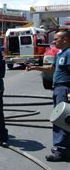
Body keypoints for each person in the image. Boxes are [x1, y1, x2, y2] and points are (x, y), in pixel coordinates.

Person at [27, 30, 70, 162]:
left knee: (61, 120)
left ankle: (60, 150)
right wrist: (35, 68)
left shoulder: (69, 53)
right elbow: (51, 69)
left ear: (66, 39)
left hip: (64, 88)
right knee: (62, 119)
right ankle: (63, 148)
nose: (54, 41)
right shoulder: (60, 53)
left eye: (56, 39)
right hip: (58, 88)